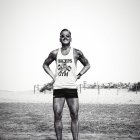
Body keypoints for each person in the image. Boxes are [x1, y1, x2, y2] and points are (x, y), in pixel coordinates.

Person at [42, 29, 90, 140]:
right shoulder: (54, 53)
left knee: (74, 115)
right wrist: (54, 77)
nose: (65, 37)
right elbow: (45, 65)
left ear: (71, 38)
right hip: (58, 88)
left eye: (67, 36)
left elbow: (87, 65)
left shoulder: (76, 52)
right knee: (57, 116)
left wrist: (78, 75)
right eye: (63, 36)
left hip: (71, 88)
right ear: (60, 38)